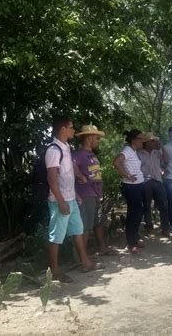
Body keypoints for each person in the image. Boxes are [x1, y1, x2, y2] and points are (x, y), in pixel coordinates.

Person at [46, 117, 103, 283]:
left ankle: (85, 262)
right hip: (60, 200)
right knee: (56, 235)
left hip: (71, 197)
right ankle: (54, 270)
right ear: (63, 129)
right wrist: (61, 201)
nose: (73, 130)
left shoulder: (66, 148)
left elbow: (68, 173)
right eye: (71, 127)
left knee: (78, 230)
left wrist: (75, 194)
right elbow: (52, 178)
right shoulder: (54, 150)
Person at [73, 124, 116, 257]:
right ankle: (83, 257)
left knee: (99, 221)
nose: (98, 141)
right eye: (96, 138)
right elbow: (71, 165)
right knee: (85, 225)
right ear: (89, 137)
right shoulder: (78, 154)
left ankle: (102, 248)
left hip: (95, 194)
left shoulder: (90, 154)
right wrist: (80, 176)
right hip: (85, 194)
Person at [113, 129, 148, 254]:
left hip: (137, 186)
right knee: (134, 214)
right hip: (130, 187)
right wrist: (127, 175)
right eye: (141, 139)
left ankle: (135, 238)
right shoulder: (127, 150)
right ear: (134, 140)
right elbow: (117, 162)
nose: (143, 141)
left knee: (138, 213)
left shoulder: (134, 151)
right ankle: (131, 243)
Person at [139, 132, 172, 237]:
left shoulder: (157, 152)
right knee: (147, 206)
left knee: (163, 205)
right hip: (145, 181)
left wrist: (161, 145)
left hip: (158, 181)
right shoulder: (139, 153)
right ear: (146, 142)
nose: (154, 142)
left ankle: (165, 229)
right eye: (152, 140)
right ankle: (149, 228)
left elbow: (167, 160)